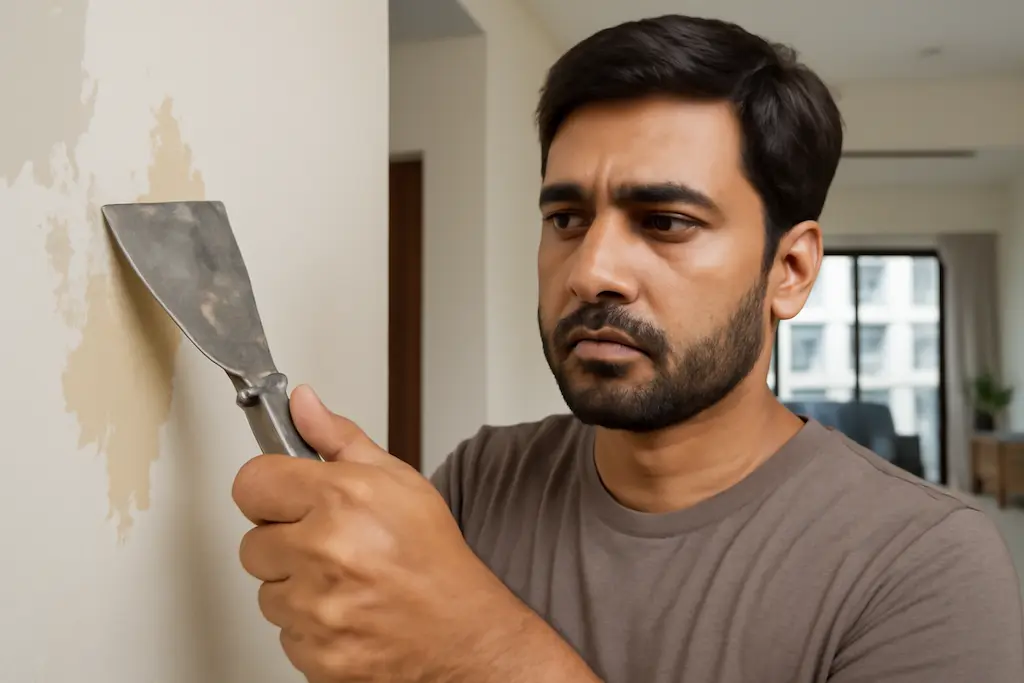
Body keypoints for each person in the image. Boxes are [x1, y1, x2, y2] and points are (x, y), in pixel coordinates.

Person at [230, 14, 1024, 683]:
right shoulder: (482, 481)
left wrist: (484, 646)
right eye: (567, 219)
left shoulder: (923, 563)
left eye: (665, 222)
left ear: (790, 269)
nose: (591, 271)